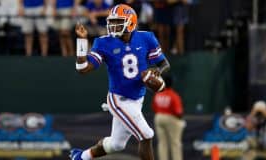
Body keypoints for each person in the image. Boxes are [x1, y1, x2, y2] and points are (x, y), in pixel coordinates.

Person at [70, 4, 170, 160]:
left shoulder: (146, 38)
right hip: (119, 99)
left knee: (116, 144)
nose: (112, 26)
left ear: (130, 22)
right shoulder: (103, 42)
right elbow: (82, 68)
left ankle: (81, 157)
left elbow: (164, 64)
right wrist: (82, 42)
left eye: (118, 22)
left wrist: (157, 72)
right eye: (112, 22)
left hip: (138, 98)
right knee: (146, 135)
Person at [151, 74, 185, 160]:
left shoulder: (158, 94)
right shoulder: (173, 95)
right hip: (170, 118)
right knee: (175, 143)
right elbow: (178, 112)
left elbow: (154, 108)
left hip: (158, 117)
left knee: (162, 143)